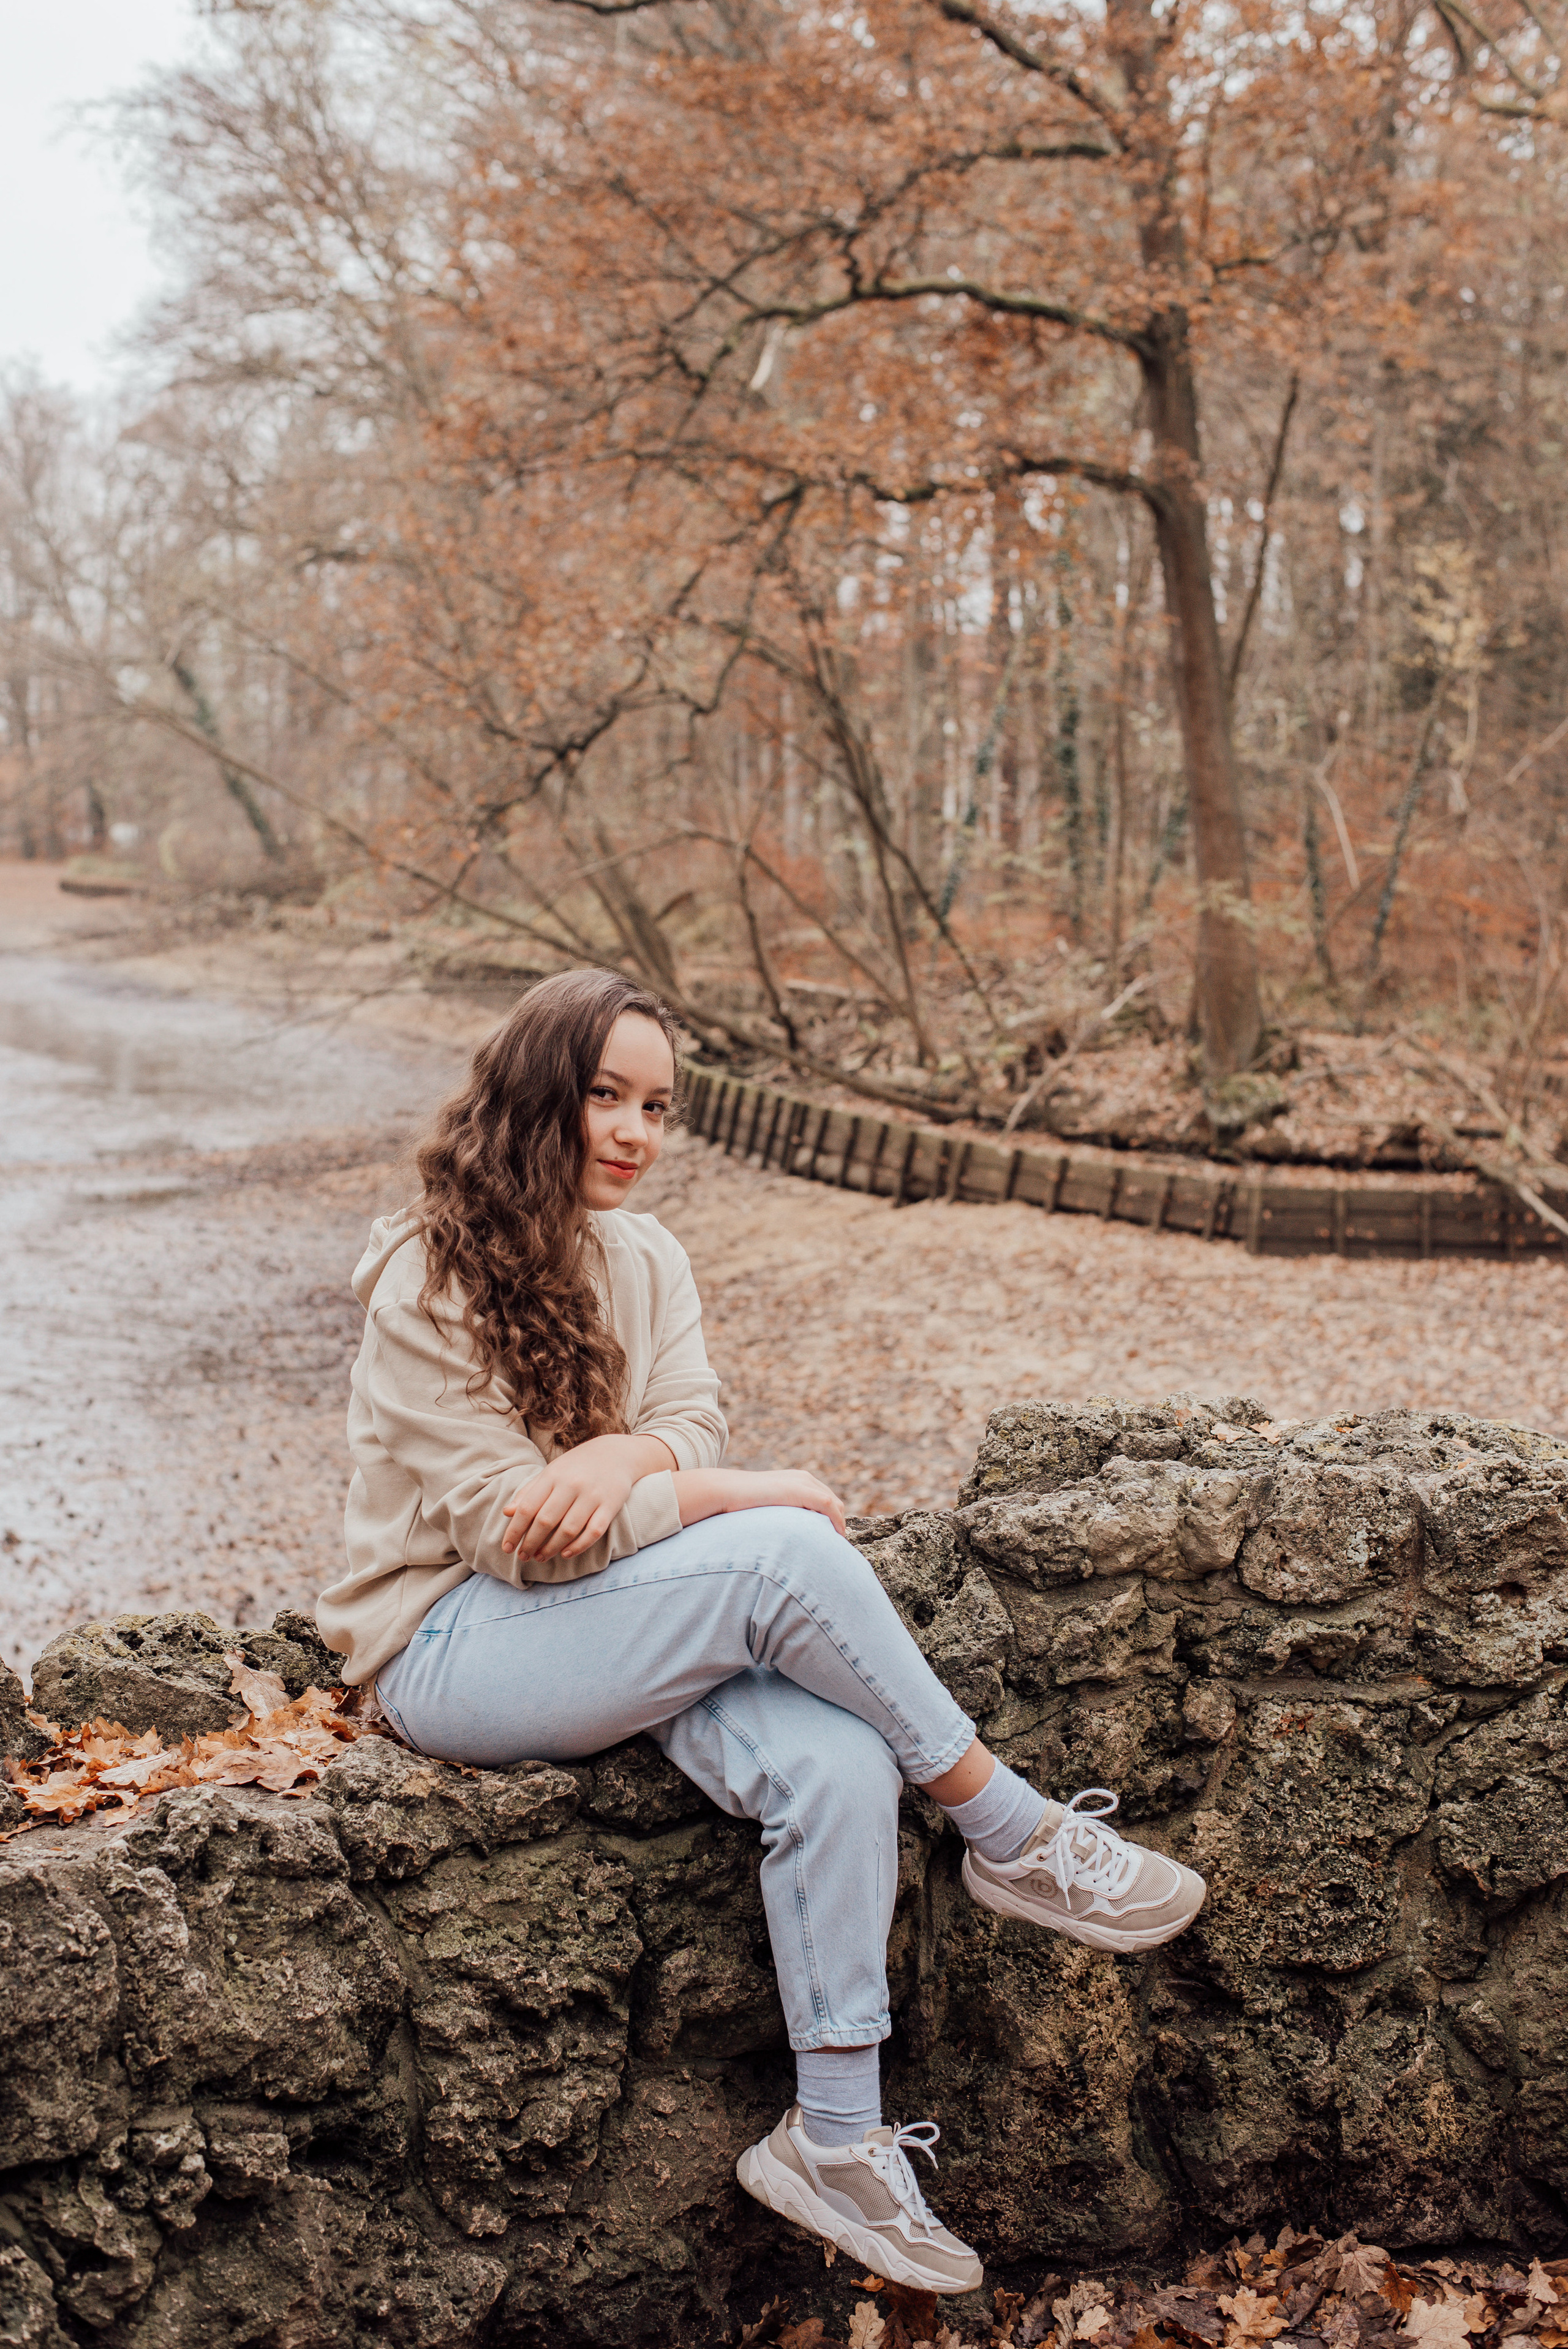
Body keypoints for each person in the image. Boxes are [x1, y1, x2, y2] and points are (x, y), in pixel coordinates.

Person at [317, 967, 1205, 2296]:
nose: (632, 1132)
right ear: (530, 1096)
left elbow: (688, 1422)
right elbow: (510, 1532)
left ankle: (834, 2140)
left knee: (837, 1766)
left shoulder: (646, 1255)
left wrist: (626, 1457)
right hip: (451, 1644)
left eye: (657, 1106)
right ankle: (1009, 1831)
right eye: (602, 1096)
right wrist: (722, 1495)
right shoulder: (423, 1274)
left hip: (608, 1608)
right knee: (785, 1548)